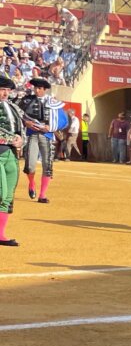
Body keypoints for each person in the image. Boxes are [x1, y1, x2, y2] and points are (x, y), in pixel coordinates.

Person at [19, 77, 56, 203]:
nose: (36, 90)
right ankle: (31, 183)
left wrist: (50, 126)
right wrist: (26, 123)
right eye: (35, 88)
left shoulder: (53, 102)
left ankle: (42, 195)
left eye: (39, 88)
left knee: (48, 166)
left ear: (44, 89)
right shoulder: (26, 101)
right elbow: (17, 114)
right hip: (32, 134)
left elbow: (61, 120)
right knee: (30, 165)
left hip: (47, 135)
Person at [0, 75, 25, 246]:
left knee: (8, 196)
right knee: (0, 193)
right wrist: (11, 139)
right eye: (2, 89)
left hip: (12, 155)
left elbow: (21, 127)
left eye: (8, 90)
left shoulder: (13, 107)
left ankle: (0, 235)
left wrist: (21, 139)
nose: (5, 93)